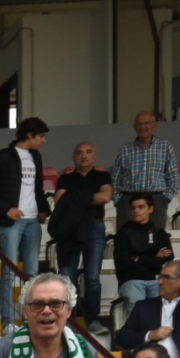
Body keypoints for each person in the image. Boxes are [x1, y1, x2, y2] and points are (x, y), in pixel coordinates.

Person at [0, 117, 51, 332]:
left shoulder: (36, 156)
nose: (44, 141)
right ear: (30, 135)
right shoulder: (3, 156)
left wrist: (44, 208)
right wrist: (6, 209)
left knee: (33, 273)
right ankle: (8, 321)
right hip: (12, 221)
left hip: (33, 220)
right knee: (8, 272)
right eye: (41, 136)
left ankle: (31, 320)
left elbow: (36, 188)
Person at [50, 141, 113, 334]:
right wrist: (89, 197)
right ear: (73, 157)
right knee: (68, 279)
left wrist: (75, 197)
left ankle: (92, 320)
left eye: (88, 152)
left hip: (94, 228)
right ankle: (69, 321)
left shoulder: (103, 176)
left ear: (94, 155)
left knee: (92, 277)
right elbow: (61, 200)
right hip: (69, 230)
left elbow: (105, 198)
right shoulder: (64, 179)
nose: (84, 156)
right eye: (79, 153)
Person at [111, 110, 179, 227]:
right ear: (134, 127)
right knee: (126, 240)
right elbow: (115, 179)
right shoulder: (124, 149)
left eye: (146, 123)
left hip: (156, 201)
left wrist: (164, 200)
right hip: (128, 201)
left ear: (155, 125)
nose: (142, 127)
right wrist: (119, 201)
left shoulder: (165, 147)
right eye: (139, 124)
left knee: (155, 241)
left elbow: (174, 178)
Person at [113, 195, 172, 311]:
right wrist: (154, 260)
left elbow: (168, 259)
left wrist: (139, 259)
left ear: (150, 209)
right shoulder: (123, 233)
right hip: (131, 280)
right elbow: (122, 265)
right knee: (137, 315)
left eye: (141, 207)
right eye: (133, 208)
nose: (136, 211)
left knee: (161, 314)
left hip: (157, 280)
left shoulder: (159, 233)